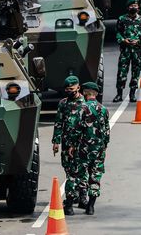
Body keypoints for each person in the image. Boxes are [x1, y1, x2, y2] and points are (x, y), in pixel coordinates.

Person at [72, 82, 110, 216]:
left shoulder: (81, 108)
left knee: (82, 174)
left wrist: (72, 145)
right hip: (98, 149)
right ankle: (91, 205)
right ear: (96, 94)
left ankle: (83, 198)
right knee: (95, 175)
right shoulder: (104, 109)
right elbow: (106, 131)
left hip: (83, 148)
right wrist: (104, 146)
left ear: (85, 93)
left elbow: (76, 129)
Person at [52, 75, 86, 215]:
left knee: (81, 169)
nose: (69, 91)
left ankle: (82, 196)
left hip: (81, 142)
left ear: (78, 87)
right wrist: (56, 141)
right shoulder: (63, 103)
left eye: (71, 89)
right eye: (66, 89)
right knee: (68, 168)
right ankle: (75, 194)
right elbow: (59, 123)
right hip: (66, 142)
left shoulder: (85, 104)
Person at [114, 0, 141, 103]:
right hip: (125, 51)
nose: (134, 7)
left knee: (135, 73)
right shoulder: (122, 19)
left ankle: (132, 93)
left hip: (137, 51)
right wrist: (123, 40)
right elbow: (118, 32)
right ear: (128, 7)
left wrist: (138, 41)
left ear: (138, 7)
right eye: (131, 6)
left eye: (135, 6)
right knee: (122, 73)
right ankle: (119, 94)